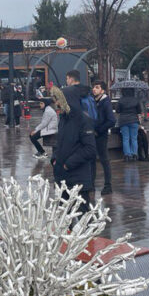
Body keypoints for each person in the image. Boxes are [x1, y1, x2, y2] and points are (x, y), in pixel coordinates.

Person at [50, 85, 97, 214]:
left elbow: (90, 149)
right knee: (63, 219)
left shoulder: (83, 120)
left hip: (78, 179)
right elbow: (59, 143)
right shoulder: (63, 120)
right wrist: (54, 159)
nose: (57, 104)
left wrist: (68, 164)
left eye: (59, 100)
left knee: (82, 218)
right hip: (62, 178)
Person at [91, 80, 116, 195]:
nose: (94, 89)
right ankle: (90, 184)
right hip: (93, 134)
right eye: (93, 87)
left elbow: (111, 120)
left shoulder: (105, 102)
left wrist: (99, 130)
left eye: (97, 87)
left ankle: (108, 185)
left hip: (101, 136)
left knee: (104, 160)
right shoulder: (95, 101)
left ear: (103, 90)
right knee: (91, 159)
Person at [116, 87, 142, 162]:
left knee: (125, 138)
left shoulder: (121, 100)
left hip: (123, 121)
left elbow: (117, 110)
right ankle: (135, 155)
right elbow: (139, 111)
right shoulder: (135, 100)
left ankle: (127, 155)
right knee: (134, 138)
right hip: (134, 121)